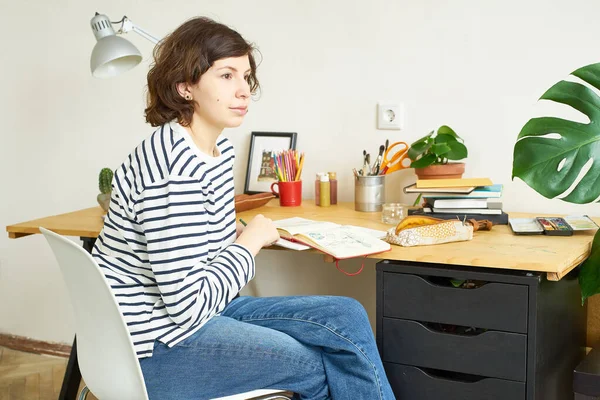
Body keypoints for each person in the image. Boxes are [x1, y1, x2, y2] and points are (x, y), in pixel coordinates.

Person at [92, 16, 395, 400]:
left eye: (245, 76)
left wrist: (263, 235)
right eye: (226, 76)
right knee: (318, 365)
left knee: (345, 316)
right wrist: (250, 242)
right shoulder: (174, 168)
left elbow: (198, 241)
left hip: (200, 317)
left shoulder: (215, 151)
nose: (244, 91)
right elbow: (187, 306)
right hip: (156, 347)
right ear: (185, 86)